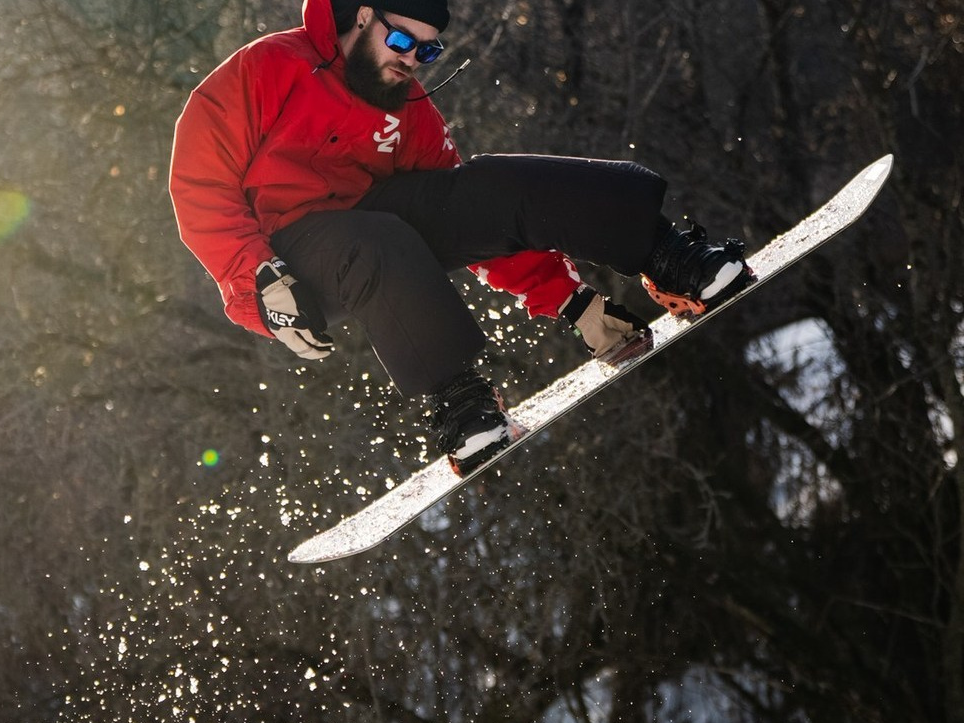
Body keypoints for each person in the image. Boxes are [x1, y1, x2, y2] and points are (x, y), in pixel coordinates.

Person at [169, 0, 753, 477]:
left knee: (487, 183)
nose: (412, 61)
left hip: (371, 228)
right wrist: (255, 279)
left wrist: (576, 305)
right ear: (365, 17)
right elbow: (198, 182)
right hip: (288, 264)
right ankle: (461, 405)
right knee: (380, 238)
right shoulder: (269, 67)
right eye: (402, 43)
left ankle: (670, 255)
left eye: (428, 51)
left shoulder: (407, 110)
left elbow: (476, 218)